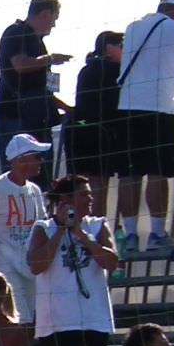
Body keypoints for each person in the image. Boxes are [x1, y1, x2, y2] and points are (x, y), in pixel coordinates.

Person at [27, 173, 120, 346]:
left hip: (92, 315)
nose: (90, 199)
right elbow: (36, 264)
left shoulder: (98, 225)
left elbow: (111, 262)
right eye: (83, 195)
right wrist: (60, 230)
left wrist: (80, 233)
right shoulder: (43, 228)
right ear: (65, 200)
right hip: (55, 317)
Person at [117, 0, 174, 252]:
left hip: (128, 107)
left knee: (129, 174)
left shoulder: (133, 27)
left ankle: (130, 236)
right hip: (159, 108)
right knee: (158, 172)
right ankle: (157, 234)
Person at [0, 134, 51, 327]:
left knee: (34, 317)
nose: (40, 161)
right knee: (18, 319)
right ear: (21, 159)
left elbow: (42, 225)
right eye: (36, 156)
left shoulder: (35, 190)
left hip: (28, 264)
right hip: (4, 265)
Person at [67, 32, 126, 241]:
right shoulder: (114, 70)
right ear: (108, 47)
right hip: (100, 132)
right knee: (98, 187)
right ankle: (96, 232)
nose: (124, 49)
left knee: (80, 186)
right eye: (121, 44)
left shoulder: (87, 68)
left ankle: (77, 230)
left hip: (78, 131)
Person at [0, 0, 69, 151]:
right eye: (54, 19)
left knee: (41, 170)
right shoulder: (16, 32)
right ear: (45, 14)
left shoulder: (39, 43)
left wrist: (67, 108)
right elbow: (20, 65)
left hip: (38, 117)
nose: (54, 25)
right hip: (16, 117)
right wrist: (51, 59)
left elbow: (46, 89)